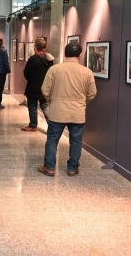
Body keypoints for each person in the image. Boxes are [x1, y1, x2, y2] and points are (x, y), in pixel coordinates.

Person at [38, 42, 97, 177]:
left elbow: (45, 90)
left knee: (52, 139)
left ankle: (50, 167)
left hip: (57, 111)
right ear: (80, 55)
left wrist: (52, 101)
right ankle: (72, 168)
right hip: (78, 112)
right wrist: (82, 102)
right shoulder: (87, 72)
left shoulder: (54, 69)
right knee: (76, 141)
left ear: (65, 53)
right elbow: (92, 93)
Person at [21, 37, 54, 132]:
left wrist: (31, 80)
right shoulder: (50, 59)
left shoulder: (33, 59)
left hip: (33, 86)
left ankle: (33, 125)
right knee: (45, 105)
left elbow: (26, 72)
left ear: (36, 47)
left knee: (32, 105)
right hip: (45, 87)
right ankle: (52, 126)